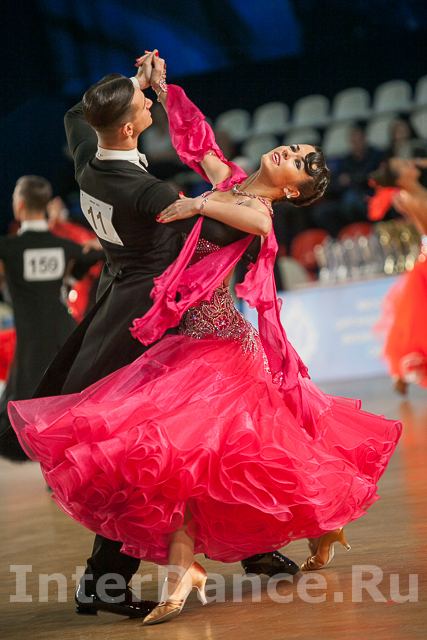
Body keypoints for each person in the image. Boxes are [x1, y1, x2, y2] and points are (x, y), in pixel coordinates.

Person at [9, 57, 401, 627]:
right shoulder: (229, 182)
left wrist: (196, 203)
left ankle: (249, 547)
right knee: (202, 458)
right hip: (182, 335)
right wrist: (162, 91)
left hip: (218, 345)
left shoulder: (254, 208)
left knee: (211, 457)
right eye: (292, 148)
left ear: (293, 190)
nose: (287, 152)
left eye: (297, 161)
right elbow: (199, 145)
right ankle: (255, 549)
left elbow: (259, 225)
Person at [24, 51, 298, 619]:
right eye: (143, 103)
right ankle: (105, 582)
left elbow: (78, 113)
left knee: (211, 437)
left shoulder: (87, 155)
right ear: (128, 128)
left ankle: (252, 548)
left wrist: (135, 82)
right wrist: (229, 198)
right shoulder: (146, 192)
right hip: (150, 323)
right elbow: (220, 221)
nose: (150, 103)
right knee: (153, 453)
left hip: (126, 301)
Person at [0, 176, 103, 461]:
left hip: (30, 337)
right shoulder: (65, 247)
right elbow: (96, 254)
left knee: (26, 397)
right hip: (62, 332)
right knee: (64, 397)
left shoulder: (8, 249)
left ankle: (35, 449)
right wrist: (72, 276)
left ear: (20, 206)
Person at [370, 158, 427, 394]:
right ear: (402, 179)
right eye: (405, 165)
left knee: (415, 318)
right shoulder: (412, 197)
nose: (411, 164)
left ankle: (403, 368)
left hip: (424, 256)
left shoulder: (409, 194)